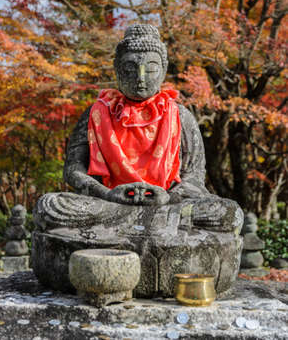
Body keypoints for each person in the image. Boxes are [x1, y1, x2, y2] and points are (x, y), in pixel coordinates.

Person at [34, 24, 242, 233]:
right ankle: (152, 226)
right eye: (130, 69)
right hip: (110, 202)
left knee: (228, 212)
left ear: (163, 70)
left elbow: (194, 176)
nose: (140, 78)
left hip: (167, 204)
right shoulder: (97, 113)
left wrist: (166, 197)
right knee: (50, 206)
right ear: (117, 69)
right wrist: (107, 194)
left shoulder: (180, 115)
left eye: (150, 69)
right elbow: (73, 170)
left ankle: (132, 225)